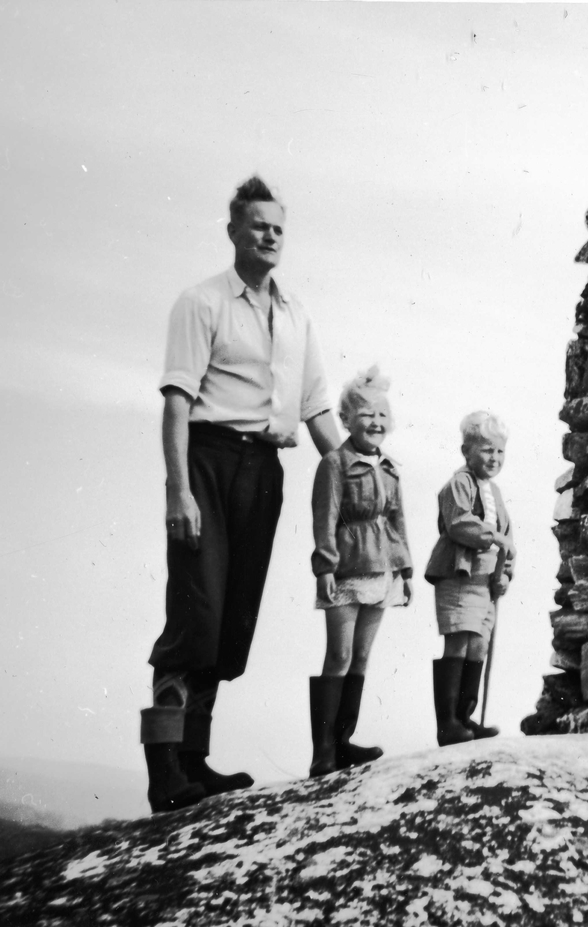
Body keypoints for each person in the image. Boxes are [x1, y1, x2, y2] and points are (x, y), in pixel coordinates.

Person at [140, 176, 341, 814]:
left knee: (231, 624)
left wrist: (369, 473)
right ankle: (164, 773)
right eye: (258, 224)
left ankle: (195, 763)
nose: (271, 234)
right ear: (233, 231)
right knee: (194, 615)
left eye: (279, 226)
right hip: (207, 462)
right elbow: (176, 403)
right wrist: (179, 491)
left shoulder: (298, 313)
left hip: (265, 472)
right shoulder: (201, 302)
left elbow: (318, 415)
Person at [308, 367, 413, 777]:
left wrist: (405, 569)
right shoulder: (334, 463)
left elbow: (397, 520)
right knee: (339, 654)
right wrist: (325, 567)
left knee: (362, 656)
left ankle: (343, 742)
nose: (376, 422)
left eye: (383, 415)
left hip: (382, 572)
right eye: (367, 414)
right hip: (346, 573)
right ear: (346, 419)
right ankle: (322, 753)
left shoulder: (390, 468)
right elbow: (325, 516)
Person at [424, 412, 514, 746]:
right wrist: (494, 538)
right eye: (487, 450)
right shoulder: (458, 484)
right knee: (459, 640)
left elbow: (509, 537)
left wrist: (506, 574)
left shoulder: (496, 492)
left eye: (500, 452)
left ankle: (465, 717)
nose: (495, 458)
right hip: (460, 575)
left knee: (479, 645)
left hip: (485, 583)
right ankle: (447, 723)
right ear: (467, 451)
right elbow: (459, 523)